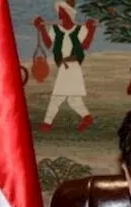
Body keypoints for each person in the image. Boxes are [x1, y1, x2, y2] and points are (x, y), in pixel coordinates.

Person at [33, 0, 97, 133]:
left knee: (57, 97)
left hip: (73, 67)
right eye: (59, 13)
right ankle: (87, 117)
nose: (60, 16)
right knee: (73, 100)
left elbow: (85, 45)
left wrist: (91, 30)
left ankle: (47, 124)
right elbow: (49, 44)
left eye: (62, 13)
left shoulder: (80, 29)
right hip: (64, 66)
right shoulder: (56, 29)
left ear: (69, 13)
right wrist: (42, 29)